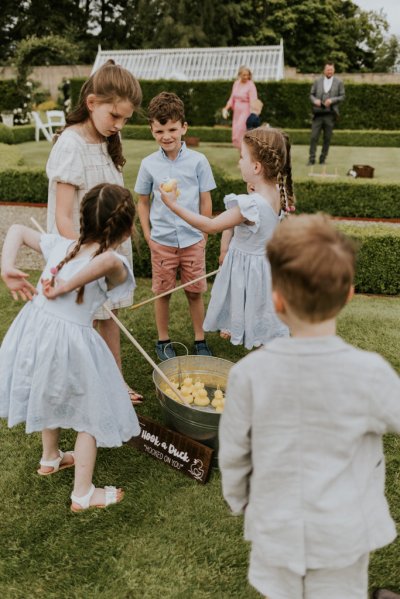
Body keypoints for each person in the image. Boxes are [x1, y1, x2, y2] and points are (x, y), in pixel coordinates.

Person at [219, 213, 400, 599]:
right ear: (348, 294)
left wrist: (239, 501)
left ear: (277, 299)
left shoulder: (249, 374)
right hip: (343, 531)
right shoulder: (370, 373)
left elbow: (234, 453)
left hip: (275, 526)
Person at [0, 183, 141, 512]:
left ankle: (51, 457)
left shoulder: (64, 246)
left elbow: (19, 230)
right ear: (128, 229)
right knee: (90, 413)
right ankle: (83, 494)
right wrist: (7, 268)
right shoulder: (114, 261)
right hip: (69, 341)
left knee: (49, 392)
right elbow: (107, 262)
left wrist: (66, 281)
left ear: (83, 217)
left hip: (37, 333)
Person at [46, 59, 143, 404]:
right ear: (92, 103)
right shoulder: (71, 144)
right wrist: (82, 262)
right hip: (82, 253)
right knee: (80, 323)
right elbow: (62, 216)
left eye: (125, 119)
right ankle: (82, 387)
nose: (119, 125)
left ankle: (114, 380)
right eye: (114, 116)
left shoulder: (105, 139)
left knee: (108, 315)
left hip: (106, 250)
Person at [160, 126, 294, 350]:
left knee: (256, 320)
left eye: (242, 157)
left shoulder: (250, 204)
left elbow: (211, 225)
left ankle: (265, 370)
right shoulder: (276, 192)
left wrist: (173, 206)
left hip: (249, 271)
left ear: (257, 167)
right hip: (265, 270)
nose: (239, 162)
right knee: (261, 319)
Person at [135, 92, 216, 361]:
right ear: (152, 130)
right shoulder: (148, 164)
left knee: (195, 292)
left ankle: (200, 339)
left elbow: (206, 198)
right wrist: (148, 235)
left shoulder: (198, 161)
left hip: (193, 239)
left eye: (172, 129)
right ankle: (163, 340)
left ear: (184, 127)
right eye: (159, 130)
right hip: (162, 241)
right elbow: (142, 201)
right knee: (163, 292)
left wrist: (204, 233)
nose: (166, 136)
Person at [308, 61, 345, 165]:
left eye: (331, 69)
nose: (329, 71)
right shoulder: (317, 81)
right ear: (324, 70)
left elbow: (342, 96)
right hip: (318, 114)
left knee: (327, 138)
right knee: (314, 137)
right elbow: (311, 95)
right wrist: (315, 100)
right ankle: (311, 159)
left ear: (334, 70)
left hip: (330, 114)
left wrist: (332, 100)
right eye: (328, 69)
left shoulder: (339, 82)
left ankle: (322, 159)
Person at [223, 66, 258, 149]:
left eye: (247, 75)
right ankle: (241, 153)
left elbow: (253, 100)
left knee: (241, 130)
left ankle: (244, 151)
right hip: (236, 111)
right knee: (235, 132)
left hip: (246, 110)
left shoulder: (251, 85)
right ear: (239, 75)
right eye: (244, 75)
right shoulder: (236, 84)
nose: (246, 77)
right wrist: (226, 108)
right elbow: (232, 98)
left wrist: (254, 114)